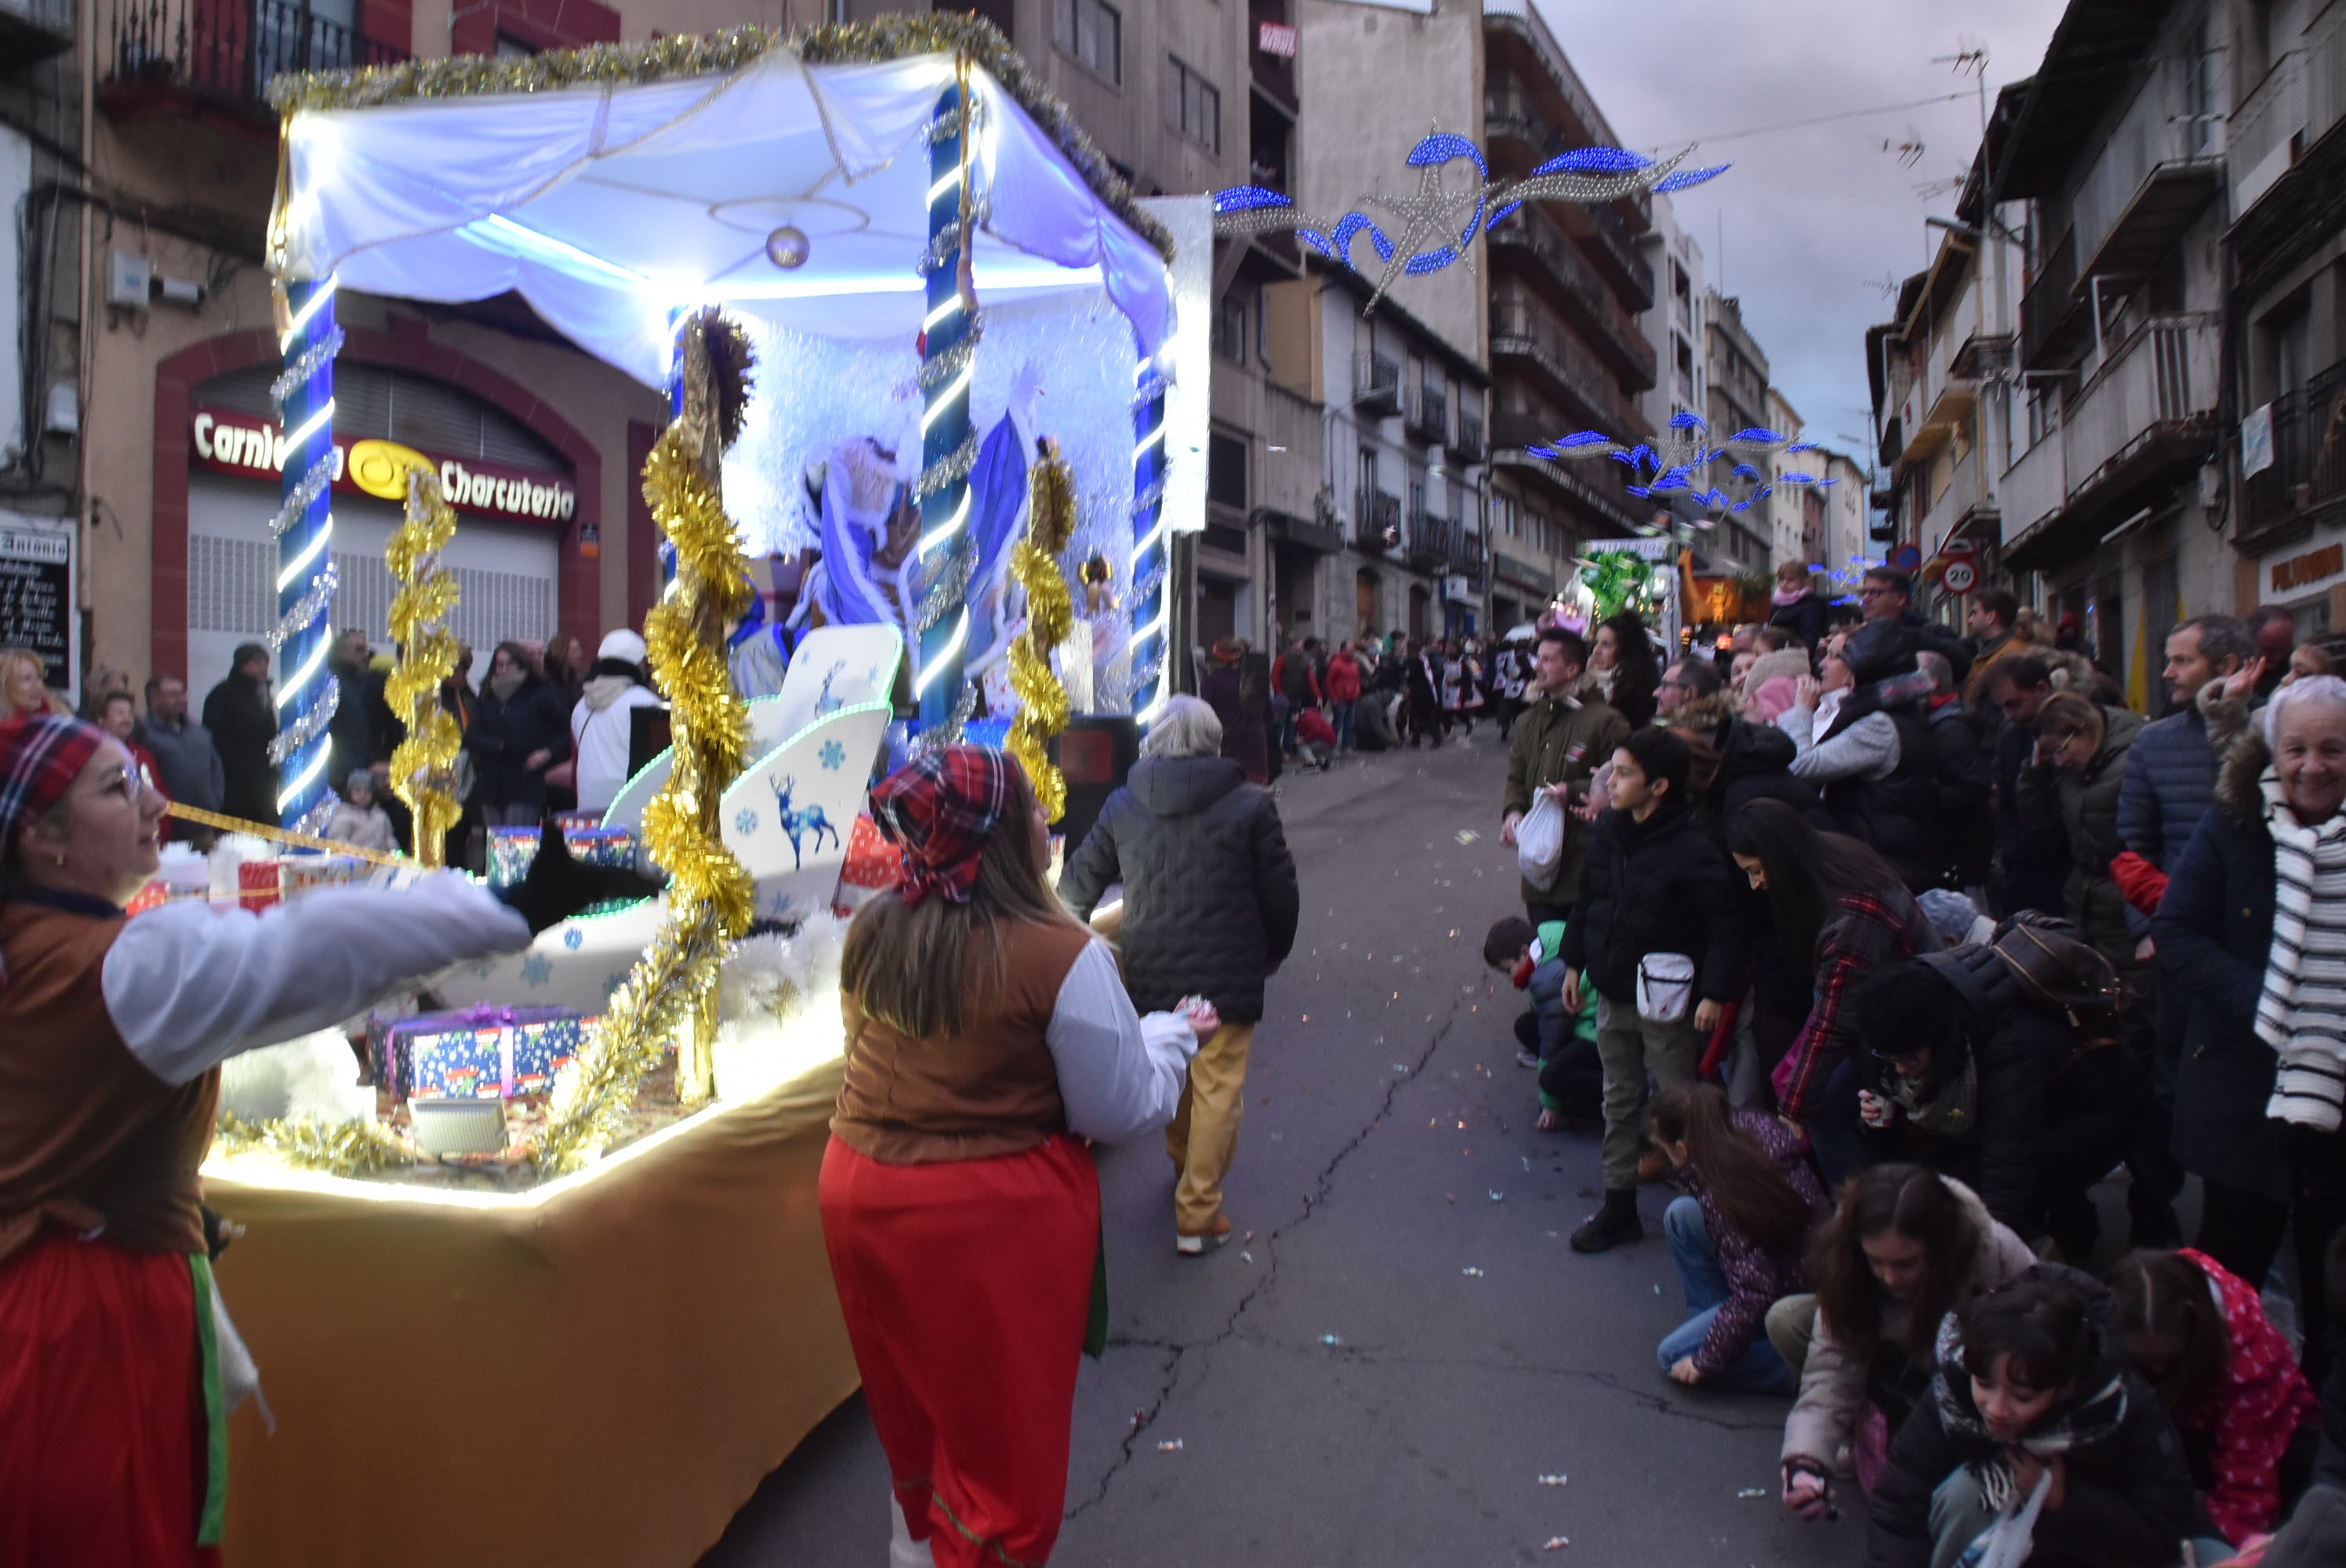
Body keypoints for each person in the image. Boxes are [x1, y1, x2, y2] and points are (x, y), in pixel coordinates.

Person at [0, 713, 641, 1564]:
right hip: (84, 1326)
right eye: (118, 788)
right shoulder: (115, 963)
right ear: (42, 839)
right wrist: (506, 905)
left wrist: (148, 1194)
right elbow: (301, 954)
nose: (157, 797)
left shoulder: (35, 946)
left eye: (144, 774)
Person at [827, 748, 1211, 1567]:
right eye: (1037, 810)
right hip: (983, 1219)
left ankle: (918, 1548)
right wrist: (1172, 1036)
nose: (1051, 822)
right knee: (999, 1449)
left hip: (862, 1191)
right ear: (1005, 836)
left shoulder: (874, 929)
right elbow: (1120, 1104)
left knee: (916, 1413)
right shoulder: (1058, 954)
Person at [1058, 695, 1298, 1254]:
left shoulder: (1123, 804)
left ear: (1156, 738)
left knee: (1173, 1064)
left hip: (1151, 968)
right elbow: (1280, 896)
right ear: (1215, 740)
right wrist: (1273, 952)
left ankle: (1181, 1167)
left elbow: (1076, 889)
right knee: (1218, 1088)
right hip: (1228, 972)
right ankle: (1198, 1208)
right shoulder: (1251, 805)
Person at [2155, 673, 2346, 1364]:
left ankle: (2326, 1433)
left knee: (2334, 1281)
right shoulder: (2234, 823)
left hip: (2339, 1092)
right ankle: (2220, 1425)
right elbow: (2177, 931)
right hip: (2244, 1088)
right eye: (2297, 749)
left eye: (2333, 749)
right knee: (2227, 1281)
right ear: (2272, 753)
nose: (2313, 766)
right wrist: (2274, 1001)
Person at [1865, 1267, 2209, 1568]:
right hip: (1989, 1547)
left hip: (2083, 1553)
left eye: (2023, 1396)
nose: (1997, 1409)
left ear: (2066, 1388)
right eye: (1984, 1384)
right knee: (1968, 1494)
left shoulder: (2122, 1411)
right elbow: (1899, 1506)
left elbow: (2162, 1531)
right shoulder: (1952, 1392)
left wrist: (2066, 1501)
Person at [1561, 728, 1747, 1251]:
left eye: (1623, 774)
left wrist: (1713, 991)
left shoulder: (1693, 846)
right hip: (1613, 986)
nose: (1610, 782)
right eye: (1611, 771)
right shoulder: (1610, 834)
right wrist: (1575, 963)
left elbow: (1725, 924)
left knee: (1681, 1105)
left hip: (1666, 997)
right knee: (1617, 1098)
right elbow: (1589, 899)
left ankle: (1713, 1209)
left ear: (1659, 785)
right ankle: (1618, 1204)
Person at [1774, 1165, 2039, 1524]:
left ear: (1940, 1246)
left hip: (1973, 1383)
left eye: (1906, 1263)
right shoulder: (1849, 1267)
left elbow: (2041, 1343)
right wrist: (1805, 1458)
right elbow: (1832, 1368)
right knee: (1789, 1319)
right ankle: (1857, 1439)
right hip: (1896, 1367)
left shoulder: (1994, 1255)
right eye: (1876, 1262)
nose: (1889, 1277)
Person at [1851, 953, 2137, 1261]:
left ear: (1939, 1041)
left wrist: (1990, 1266)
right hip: (2038, 1102)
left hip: (2095, 1106)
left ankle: (2064, 1243)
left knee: (2004, 1175)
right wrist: (1883, 1109)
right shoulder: (1893, 1024)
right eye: (1892, 1058)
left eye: (1910, 1058)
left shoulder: (2004, 1053)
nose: (1902, 1070)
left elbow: (2007, 1177)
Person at [1730, 800, 1934, 1185]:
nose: (1756, 884)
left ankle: (1858, 1214)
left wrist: (1794, 1108)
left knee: (1825, 1111)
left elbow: (1832, 1022)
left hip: (1904, 1029)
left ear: (1779, 856)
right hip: (1895, 1014)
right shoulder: (1837, 857)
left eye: (1757, 871)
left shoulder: (1851, 917)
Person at [2106, 1247, 2321, 1547]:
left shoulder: (2248, 1366)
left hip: (2264, 1445)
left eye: (2168, 1362)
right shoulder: (2163, 1286)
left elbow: (2247, 1500)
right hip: (2189, 1421)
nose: (2156, 1370)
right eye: (2144, 1362)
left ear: (2196, 1333)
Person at [1650, 1083, 1831, 1393]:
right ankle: (1728, 1327)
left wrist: (1707, 1359)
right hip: (1794, 1267)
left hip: (1790, 1289)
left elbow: (1758, 1289)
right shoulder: (1747, 1131)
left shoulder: (1725, 1192)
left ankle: (1792, 1365)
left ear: (1682, 1149)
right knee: (1682, 1216)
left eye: (1667, 1153)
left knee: (1674, 1356)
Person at [2017, 691, 2148, 996]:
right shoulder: (2071, 768)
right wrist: (2035, 775)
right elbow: (2040, 825)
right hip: (2086, 903)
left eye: (2062, 749)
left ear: (2083, 730)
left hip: (2124, 901)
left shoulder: (2133, 757)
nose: (2060, 761)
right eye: (2052, 754)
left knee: (2135, 995)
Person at [1502, 627, 1629, 925]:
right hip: (1539, 870)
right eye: (1539, 658)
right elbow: (1516, 777)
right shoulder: (1527, 721)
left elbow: (1627, 782)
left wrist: (1570, 790)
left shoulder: (1607, 721)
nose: (1537, 666)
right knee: (1547, 955)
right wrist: (1512, 812)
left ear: (1572, 669)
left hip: (1586, 868)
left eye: (1547, 660)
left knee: (1581, 963)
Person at [1484, 915, 1600, 1131]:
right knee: (1527, 1026)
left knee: (1551, 1077)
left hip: (1596, 1030)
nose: (1510, 979)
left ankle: (1610, 1099)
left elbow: (1551, 1042)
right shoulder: (1551, 936)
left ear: (1525, 952)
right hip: (1586, 1017)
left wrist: (1549, 1103)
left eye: (1508, 970)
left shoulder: (1548, 980)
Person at [1983, 658, 2068, 918]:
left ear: (2042, 689)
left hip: (2062, 871)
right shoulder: (2011, 738)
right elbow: (2007, 805)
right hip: (2022, 870)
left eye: (2015, 704)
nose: (2009, 715)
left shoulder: (2074, 732)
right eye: (2003, 708)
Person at [466, 641, 569, 829]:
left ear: (521, 665)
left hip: (524, 780)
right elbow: (472, 736)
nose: (503, 669)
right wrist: (500, 746)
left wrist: (548, 753)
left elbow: (566, 731)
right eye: (499, 664)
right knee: (495, 842)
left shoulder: (539, 695)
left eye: (509, 664)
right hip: (491, 781)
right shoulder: (487, 696)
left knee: (516, 841)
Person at [1917, 649, 1992, 893]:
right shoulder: (1940, 722)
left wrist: (1925, 795)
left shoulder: (1949, 730)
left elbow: (1974, 787)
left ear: (1932, 684)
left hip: (1960, 854)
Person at [570, 629, 664, 816]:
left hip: (588, 807)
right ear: (638, 665)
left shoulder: (581, 706)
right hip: (631, 810)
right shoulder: (645, 702)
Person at [201, 642, 278, 829]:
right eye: (257, 662)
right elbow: (218, 739)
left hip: (263, 784)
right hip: (234, 786)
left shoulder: (263, 697)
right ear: (242, 664)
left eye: (265, 662)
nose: (263, 668)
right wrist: (242, 768)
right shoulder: (223, 695)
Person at [1858, 564, 1973, 688]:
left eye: (1875, 592)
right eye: (1864, 592)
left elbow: (1963, 662)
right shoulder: (1857, 638)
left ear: (1901, 598)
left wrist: (1892, 633)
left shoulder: (1929, 632)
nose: (1866, 598)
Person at [137, 676, 220, 843]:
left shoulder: (199, 732)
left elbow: (216, 769)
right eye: (172, 695)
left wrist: (214, 801)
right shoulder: (143, 734)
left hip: (203, 828)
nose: (180, 699)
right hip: (167, 831)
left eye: (182, 694)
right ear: (154, 700)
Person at [325, 628, 376, 792]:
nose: (365, 655)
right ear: (342, 653)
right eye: (358, 650)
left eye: (365, 650)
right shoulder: (331, 685)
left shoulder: (363, 684)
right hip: (339, 778)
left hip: (360, 774)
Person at [1593, 611, 1660, 728]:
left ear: (1625, 651)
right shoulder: (1583, 681)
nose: (1597, 651)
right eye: (1597, 642)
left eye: (1606, 645)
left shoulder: (1636, 696)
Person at [1962, 587, 2024, 712]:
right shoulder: (1990, 652)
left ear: (1991, 617)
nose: (1970, 620)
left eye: (1974, 613)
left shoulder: (2010, 654)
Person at [325, 769, 398, 855]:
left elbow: (390, 840)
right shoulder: (343, 815)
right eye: (358, 791)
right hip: (355, 865)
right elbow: (338, 841)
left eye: (367, 791)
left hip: (382, 865)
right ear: (350, 792)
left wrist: (397, 855)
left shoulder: (380, 816)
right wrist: (357, 855)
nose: (363, 795)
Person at [1768, 561, 1832, 655]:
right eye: (1782, 579)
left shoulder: (1811, 606)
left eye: (1791, 580)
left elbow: (1809, 640)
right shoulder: (1777, 605)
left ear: (1804, 582)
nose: (1785, 583)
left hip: (1795, 657)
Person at [1272, 636, 1320, 757]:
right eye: (1297, 647)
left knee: (1292, 725)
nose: (1299, 650)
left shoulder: (1305, 662)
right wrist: (1279, 693)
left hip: (1297, 698)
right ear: (1292, 646)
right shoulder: (1282, 659)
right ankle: (1275, 751)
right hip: (1284, 699)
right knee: (1280, 725)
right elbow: (1274, 676)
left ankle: (1288, 751)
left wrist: (1318, 695)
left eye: (1301, 647)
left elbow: (1311, 679)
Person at [0, 647, 64, 721]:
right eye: (26, 678)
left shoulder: (60, 723)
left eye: (39, 677)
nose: (37, 686)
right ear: (5, 685)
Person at [2253, 604, 2298, 700]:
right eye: (2269, 650)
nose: (2278, 656)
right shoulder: (2234, 671)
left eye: (2285, 648)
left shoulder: (2295, 668)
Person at [1324, 640, 1362, 753]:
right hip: (1339, 699)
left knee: (1349, 723)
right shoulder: (1336, 663)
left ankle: (1346, 746)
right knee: (1338, 723)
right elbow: (1329, 681)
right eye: (1351, 649)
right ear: (1344, 650)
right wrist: (1333, 697)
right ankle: (1332, 745)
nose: (1353, 651)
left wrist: (1357, 691)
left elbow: (1356, 679)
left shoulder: (1354, 663)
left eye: (1353, 649)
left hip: (1351, 698)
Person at [1404, 637, 1443, 748]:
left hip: (1419, 692)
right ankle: (1417, 740)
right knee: (1421, 717)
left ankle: (1435, 739)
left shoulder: (1413, 661)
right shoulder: (1423, 659)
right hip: (1427, 690)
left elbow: (1412, 677)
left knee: (1421, 717)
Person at [1293, 702, 1335, 770]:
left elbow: (1316, 730)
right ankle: (1322, 761)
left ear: (1297, 714)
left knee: (1301, 746)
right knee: (1310, 744)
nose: (1292, 719)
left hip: (1324, 740)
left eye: (1293, 717)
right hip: (1329, 740)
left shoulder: (1307, 718)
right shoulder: (1310, 713)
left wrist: (1304, 739)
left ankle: (1312, 762)